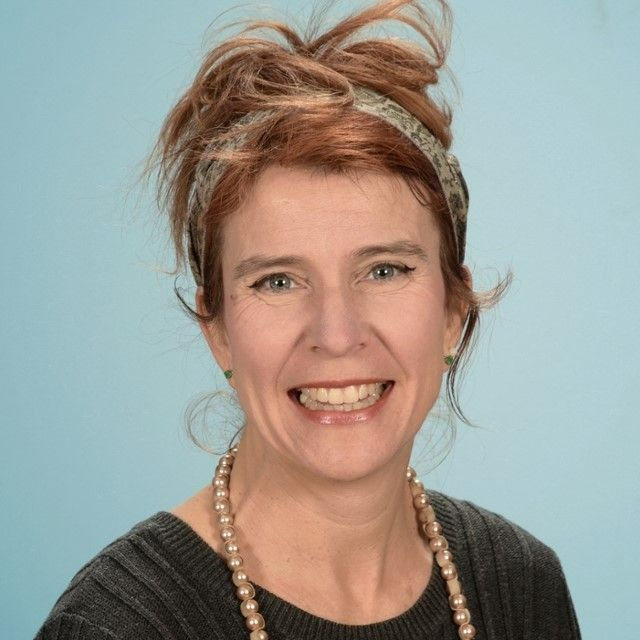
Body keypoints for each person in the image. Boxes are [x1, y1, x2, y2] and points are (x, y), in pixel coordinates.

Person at [35, 1, 581, 638]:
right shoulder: (121, 625)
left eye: (384, 270)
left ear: (454, 313)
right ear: (216, 330)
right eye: (278, 281)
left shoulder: (520, 585)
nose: (337, 334)